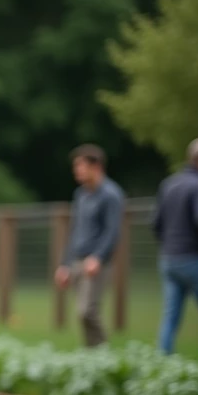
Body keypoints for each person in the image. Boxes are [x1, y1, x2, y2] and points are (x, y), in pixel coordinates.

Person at [54, 144, 125, 347]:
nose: (76, 171)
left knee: (87, 310)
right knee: (83, 315)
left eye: (80, 165)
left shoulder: (111, 195)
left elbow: (112, 232)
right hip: (77, 260)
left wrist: (98, 257)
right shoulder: (81, 195)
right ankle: (91, 357)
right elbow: (75, 230)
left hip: (95, 263)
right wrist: (65, 264)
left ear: (96, 166)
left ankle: (103, 351)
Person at [154, 137, 198, 357]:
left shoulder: (169, 183)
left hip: (168, 259)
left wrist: (169, 244)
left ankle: (163, 362)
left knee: (170, 316)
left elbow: (156, 224)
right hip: (192, 257)